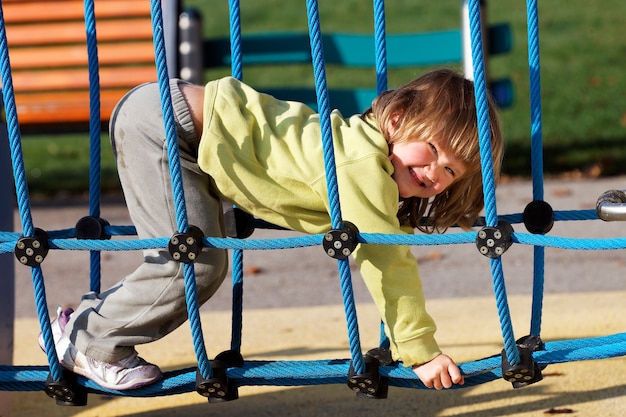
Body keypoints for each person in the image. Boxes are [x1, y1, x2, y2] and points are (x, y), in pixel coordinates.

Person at [41, 68, 503, 391]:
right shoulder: (363, 165)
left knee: (197, 258)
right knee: (195, 265)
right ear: (398, 119)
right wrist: (420, 350)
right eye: (431, 150)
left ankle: (80, 324)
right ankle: (90, 341)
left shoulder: (357, 148)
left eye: (451, 171)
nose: (435, 174)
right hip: (164, 126)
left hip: (173, 121)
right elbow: (386, 259)